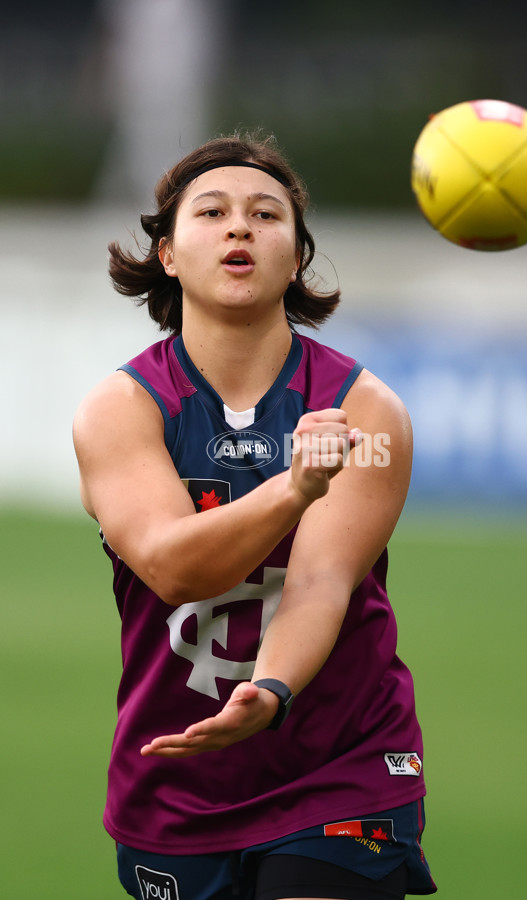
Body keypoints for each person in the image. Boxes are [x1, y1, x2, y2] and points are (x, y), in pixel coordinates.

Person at [73, 132, 437, 900]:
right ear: (167, 253)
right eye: (212, 212)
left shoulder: (366, 411)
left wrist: (268, 691)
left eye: (267, 215)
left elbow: (321, 584)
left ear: (297, 256)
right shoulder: (121, 409)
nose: (240, 227)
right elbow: (177, 566)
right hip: (176, 779)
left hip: (344, 766)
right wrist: (295, 488)